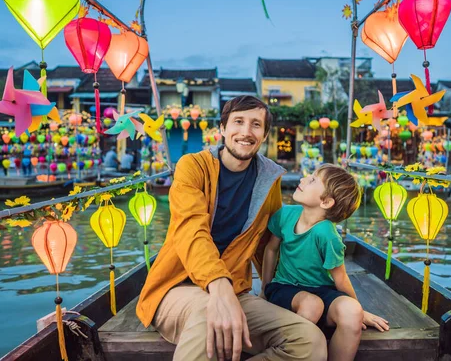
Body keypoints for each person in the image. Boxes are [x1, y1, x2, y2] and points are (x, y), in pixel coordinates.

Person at [137, 95, 327, 361]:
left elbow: (268, 245)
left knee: (310, 340)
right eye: (238, 122)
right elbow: (191, 230)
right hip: (177, 288)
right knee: (210, 312)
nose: (246, 132)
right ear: (223, 129)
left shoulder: (269, 179)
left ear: (265, 135)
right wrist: (218, 284)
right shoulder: (192, 167)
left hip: (234, 291)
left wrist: (328, 296)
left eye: (256, 125)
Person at [261, 164, 389, 361]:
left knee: (351, 311)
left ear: (326, 202)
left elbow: (341, 278)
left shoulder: (328, 235)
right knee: (312, 305)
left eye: (312, 180)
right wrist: (265, 289)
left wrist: (361, 310)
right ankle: (289, 351)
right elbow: (271, 250)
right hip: (284, 287)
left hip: (321, 289)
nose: (303, 179)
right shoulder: (285, 215)